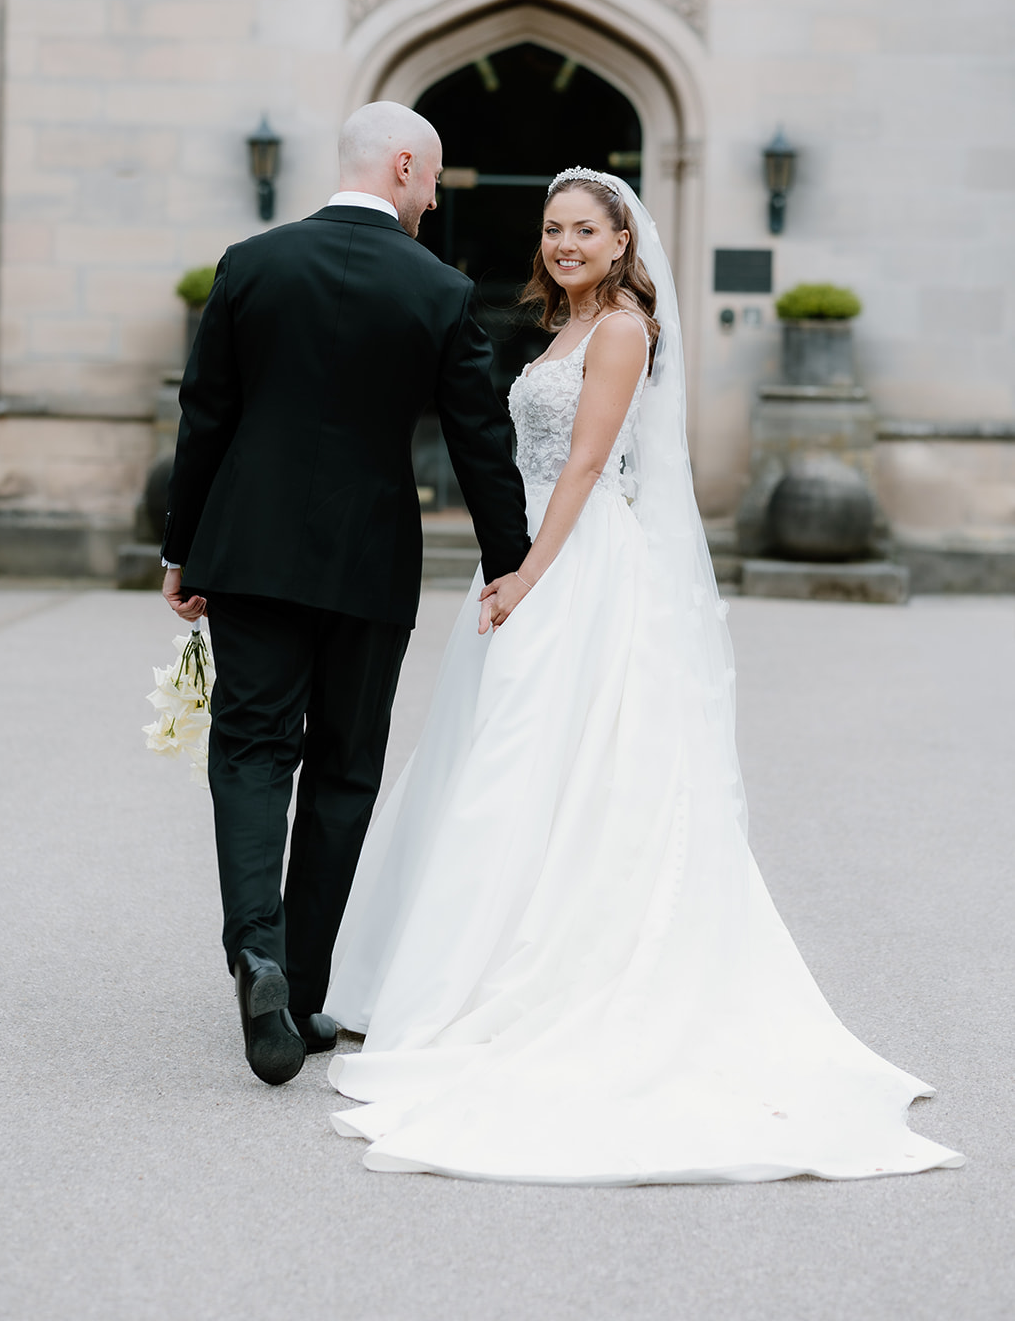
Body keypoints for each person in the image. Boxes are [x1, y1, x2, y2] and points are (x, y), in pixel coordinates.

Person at [324, 168, 964, 1185]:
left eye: (584, 229)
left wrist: (527, 572)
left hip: (574, 563)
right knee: (501, 758)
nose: (565, 244)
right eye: (552, 229)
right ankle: (467, 963)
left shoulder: (619, 328)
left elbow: (582, 465)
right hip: (531, 552)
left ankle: (521, 976)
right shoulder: (562, 328)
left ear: (624, 242)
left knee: (541, 758)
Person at [160, 102, 530, 1086]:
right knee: (342, 768)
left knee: (248, 749)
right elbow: (479, 440)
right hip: (368, 561)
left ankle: (259, 955)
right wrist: (512, 563)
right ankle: (306, 989)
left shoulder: (249, 263)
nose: (433, 197)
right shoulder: (440, 288)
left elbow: (205, 417)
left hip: (247, 550)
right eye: (433, 178)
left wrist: (181, 550)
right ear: (401, 163)